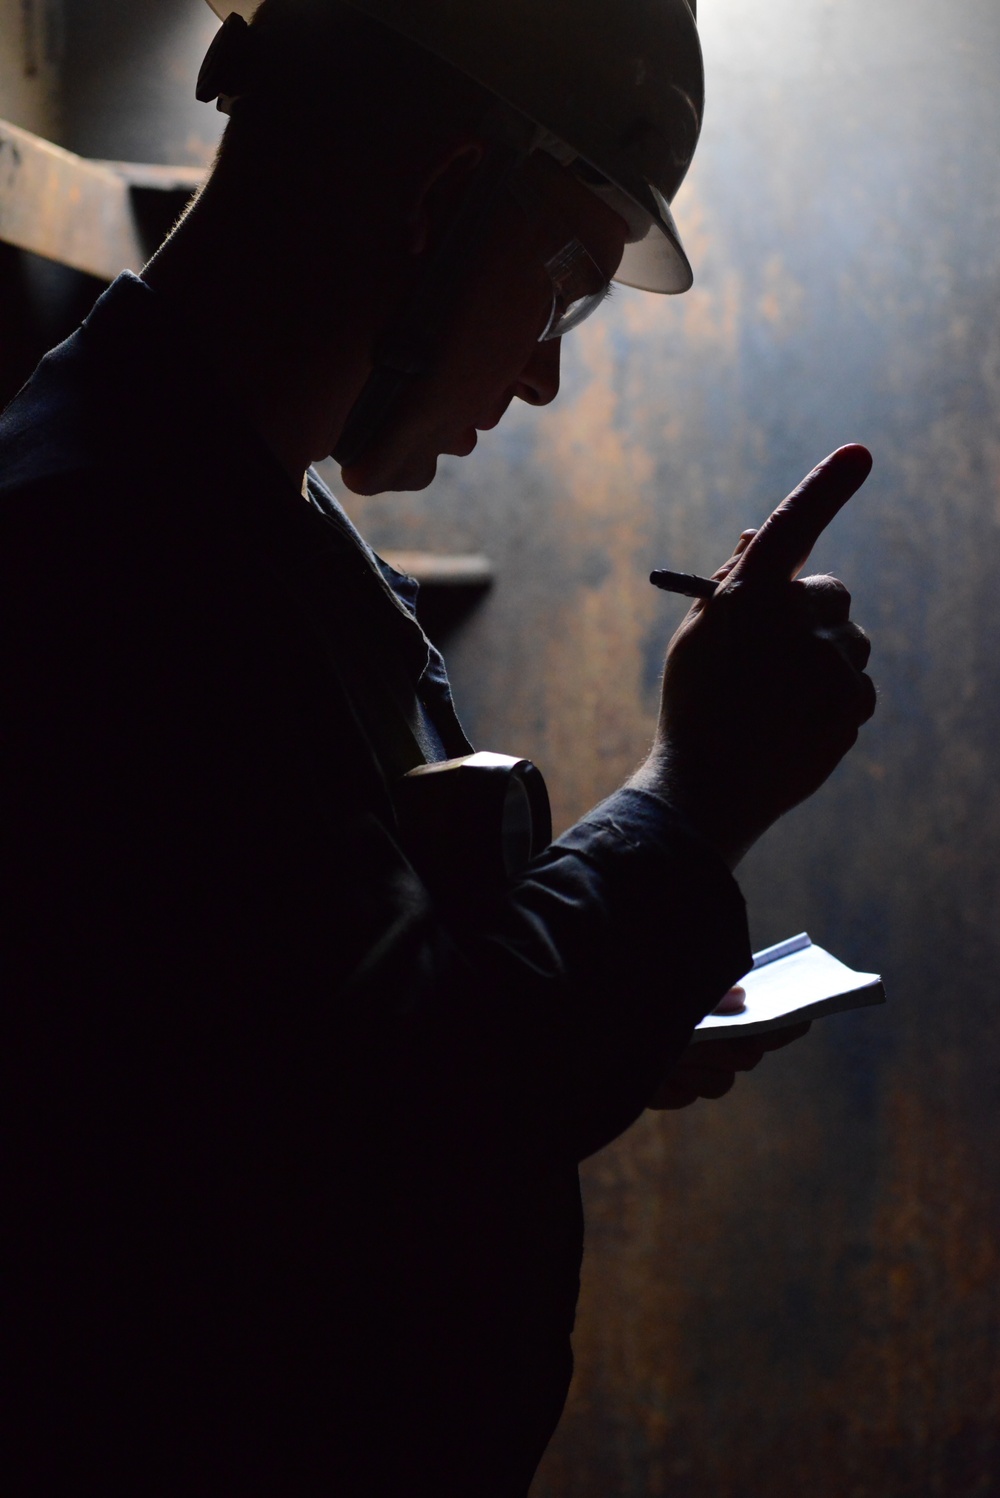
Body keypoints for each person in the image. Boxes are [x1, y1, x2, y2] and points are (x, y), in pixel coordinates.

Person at [0, 0, 875, 1492]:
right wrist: (696, 793)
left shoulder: (241, 523)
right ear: (433, 197)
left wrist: (611, 1004)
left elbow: (324, 1031)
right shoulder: (115, 557)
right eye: (561, 290)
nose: (540, 375)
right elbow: (389, 1122)